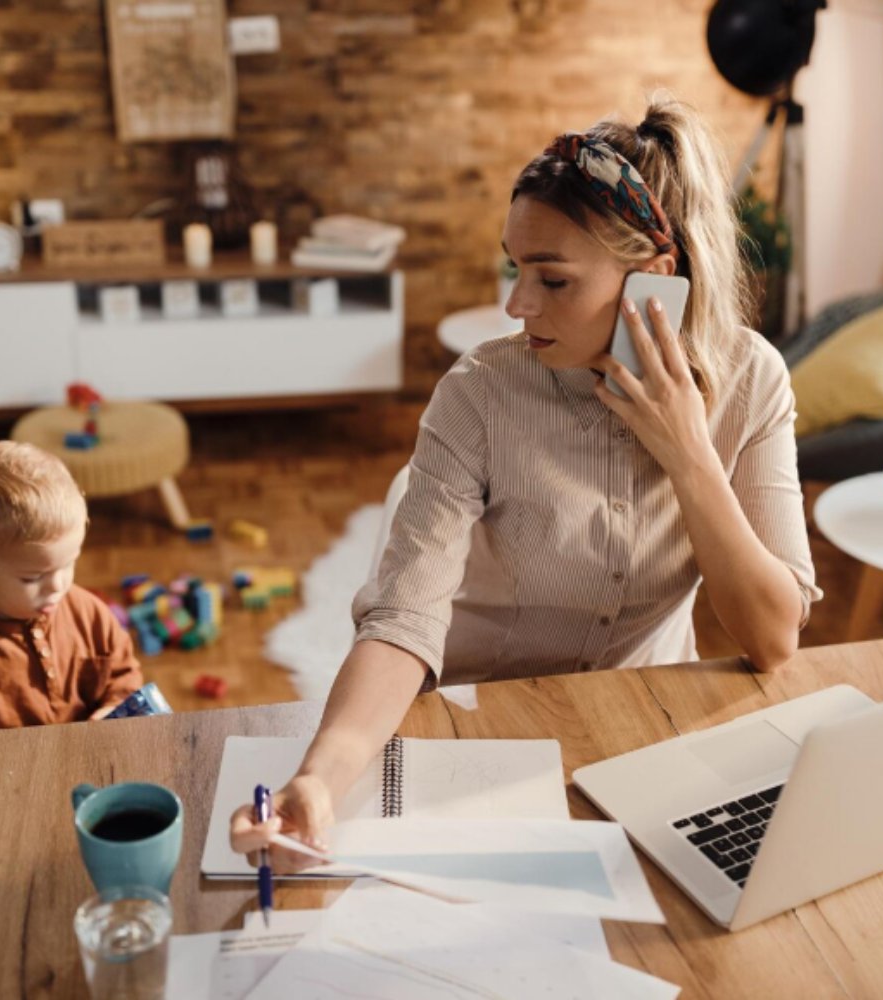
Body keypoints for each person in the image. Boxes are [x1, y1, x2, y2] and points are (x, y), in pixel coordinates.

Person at [232, 93, 820, 864]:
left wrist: (688, 452)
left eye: (553, 280)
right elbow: (403, 621)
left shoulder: (752, 382)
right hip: (479, 727)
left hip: (641, 735)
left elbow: (773, 639)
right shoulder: (479, 394)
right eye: (517, 269)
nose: (517, 304)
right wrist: (319, 778)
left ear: (654, 279)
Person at [0, 441, 145, 735]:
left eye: (68, 564)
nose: (58, 586)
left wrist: (113, 709)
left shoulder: (89, 612)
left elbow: (123, 677)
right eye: (32, 578)